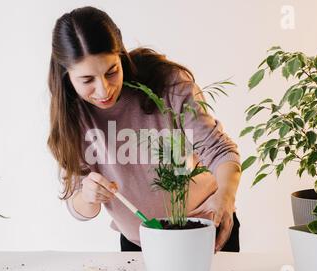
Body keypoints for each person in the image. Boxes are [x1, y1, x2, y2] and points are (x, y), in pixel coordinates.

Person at [47, 6, 241, 252]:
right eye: (87, 80)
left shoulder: (168, 83)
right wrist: (88, 195)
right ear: (66, 75)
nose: (104, 90)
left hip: (204, 229)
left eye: (111, 72)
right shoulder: (72, 116)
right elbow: (80, 208)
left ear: (120, 54)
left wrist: (224, 198)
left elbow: (221, 152)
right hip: (139, 243)